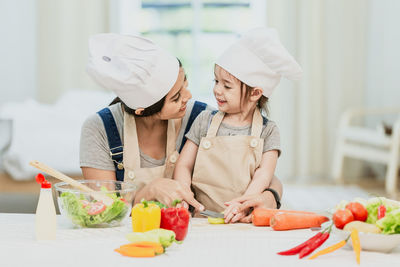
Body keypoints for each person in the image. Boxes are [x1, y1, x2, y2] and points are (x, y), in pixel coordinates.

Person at [80, 33, 283, 214]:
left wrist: (269, 197)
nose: (189, 96)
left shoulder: (202, 117)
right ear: (142, 110)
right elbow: (103, 209)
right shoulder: (100, 129)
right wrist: (149, 191)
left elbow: (261, 175)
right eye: (176, 97)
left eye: (185, 83)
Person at [174, 27, 302, 223]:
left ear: (255, 93)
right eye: (216, 80)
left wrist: (243, 204)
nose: (217, 90)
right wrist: (183, 193)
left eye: (226, 85)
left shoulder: (268, 131)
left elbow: (264, 174)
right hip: (200, 217)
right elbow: (184, 164)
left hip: (241, 218)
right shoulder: (204, 120)